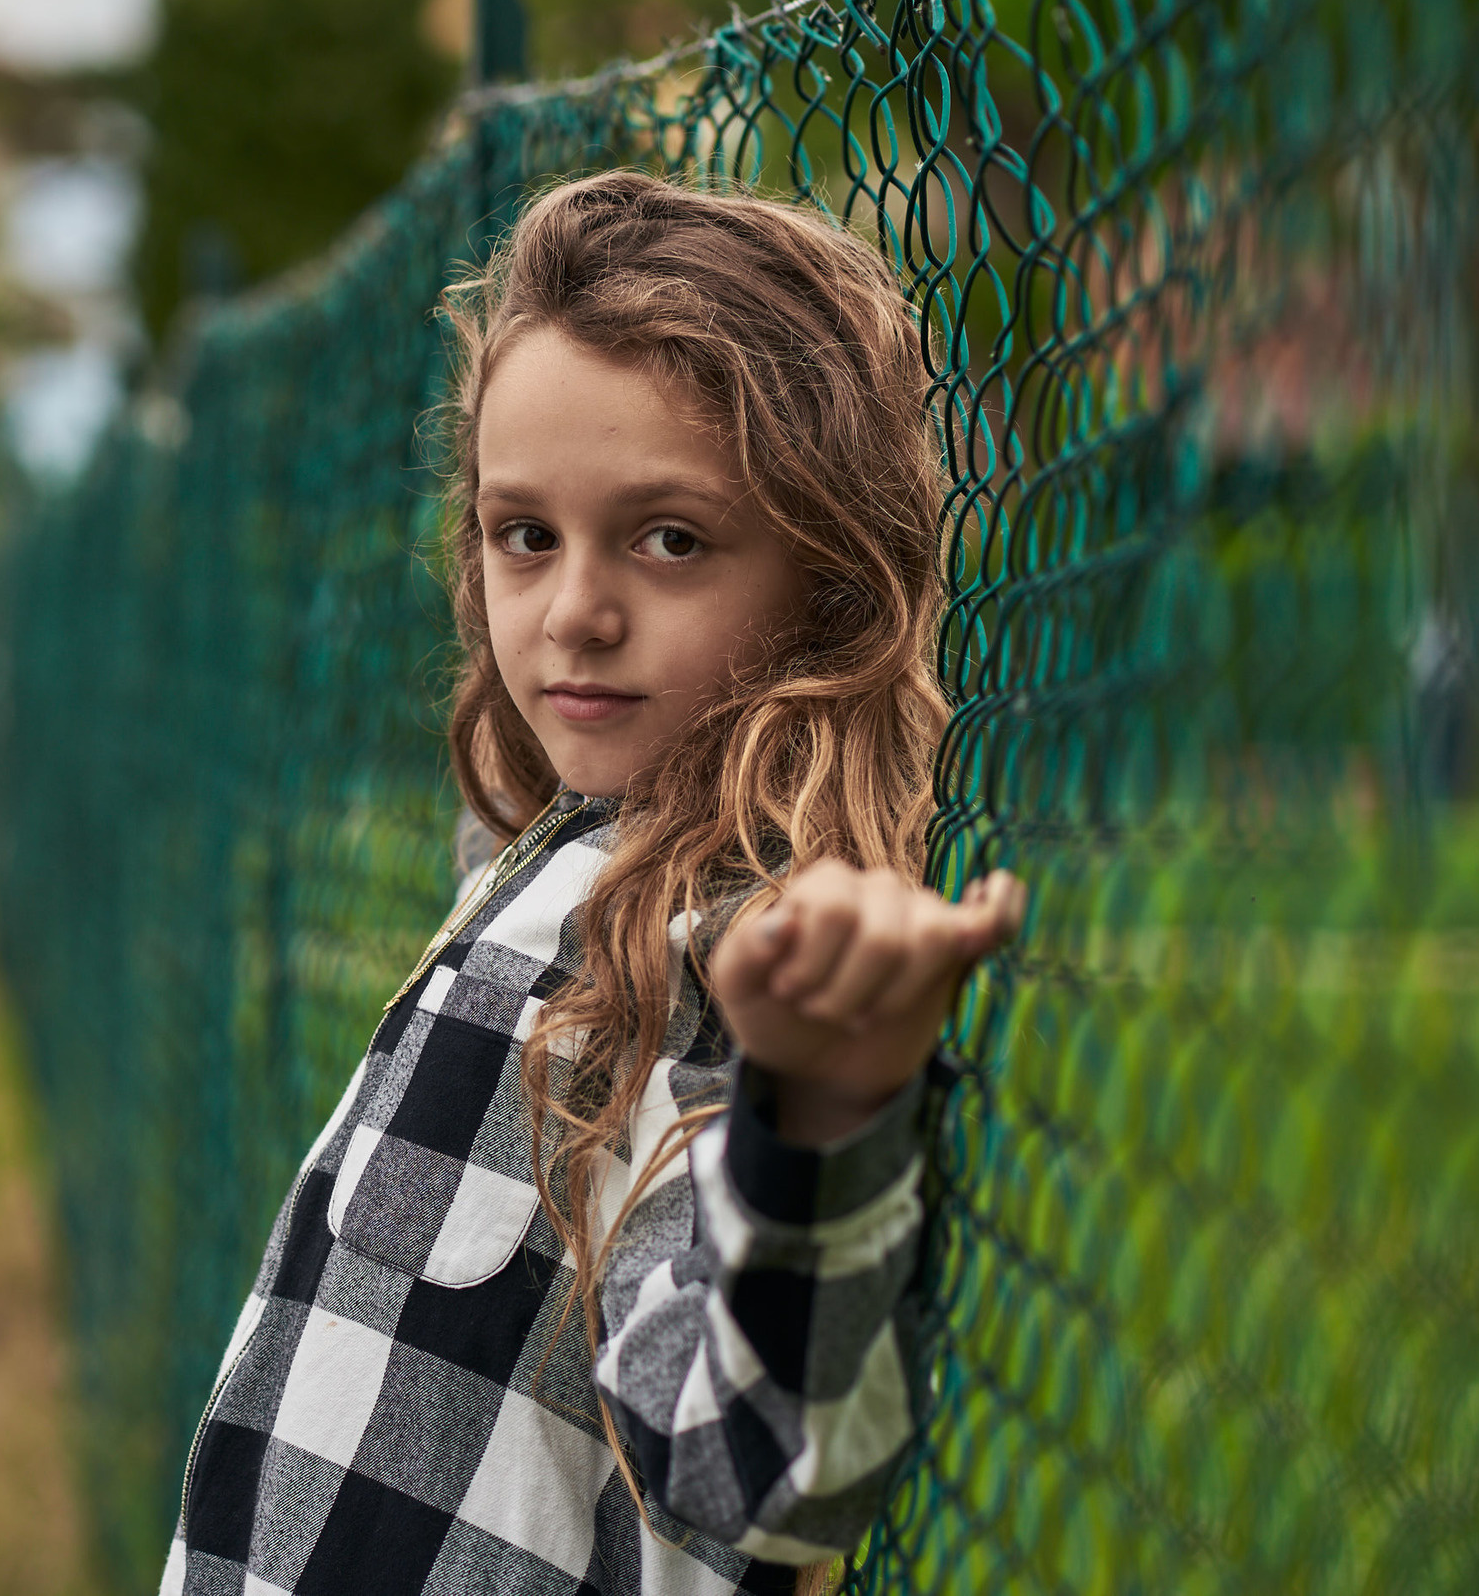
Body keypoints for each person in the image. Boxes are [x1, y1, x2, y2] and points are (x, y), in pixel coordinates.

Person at [158, 170, 1026, 1596]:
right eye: (526, 535)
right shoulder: (565, 851)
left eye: (670, 539)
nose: (574, 614)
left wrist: (816, 1119)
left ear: (829, 577)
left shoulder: (732, 951)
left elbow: (749, 1479)